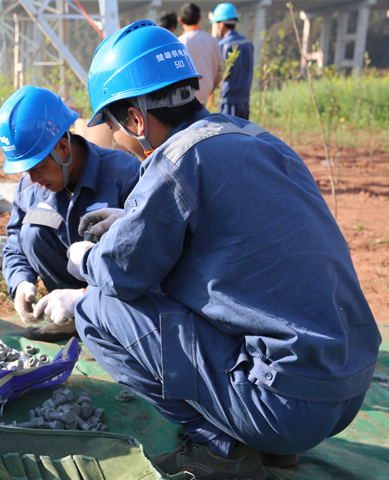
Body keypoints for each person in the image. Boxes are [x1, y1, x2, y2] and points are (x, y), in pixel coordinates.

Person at [71, 20, 380, 478]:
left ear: (135, 119)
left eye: (114, 125)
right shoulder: (259, 139)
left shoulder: (173, 160)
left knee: (96, 308)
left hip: (283, 405)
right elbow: (245, 237)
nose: (115, 138)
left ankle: (220, 446)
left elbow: (125, 273)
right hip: (350, 388)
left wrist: (85, 260)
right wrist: (133, 222)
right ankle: (270, 444)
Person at [0, 85, 140, 342]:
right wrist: (20, 282)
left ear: (63, 148)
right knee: (31, 232)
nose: (32, 178)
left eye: (38, 166)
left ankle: (101, 318)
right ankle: (70, 321)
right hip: (62, 306)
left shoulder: (125, 176)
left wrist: (86, 297)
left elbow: (149, 259)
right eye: (25, 169)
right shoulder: (30, 186)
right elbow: (15, 246)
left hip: (122, 305)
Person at [212, 2, 254, 119]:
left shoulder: (223, 45)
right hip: (244, 101)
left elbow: (219, 74)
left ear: (221, 23)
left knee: (228, 135)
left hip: (228, 101)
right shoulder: (247, 43)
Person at [177, 3, 222, 106]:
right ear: (199, 19)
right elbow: (221, 70)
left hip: (184, 99)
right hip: (206, 97)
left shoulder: (179, 43)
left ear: (180, 20)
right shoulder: (212, 41)